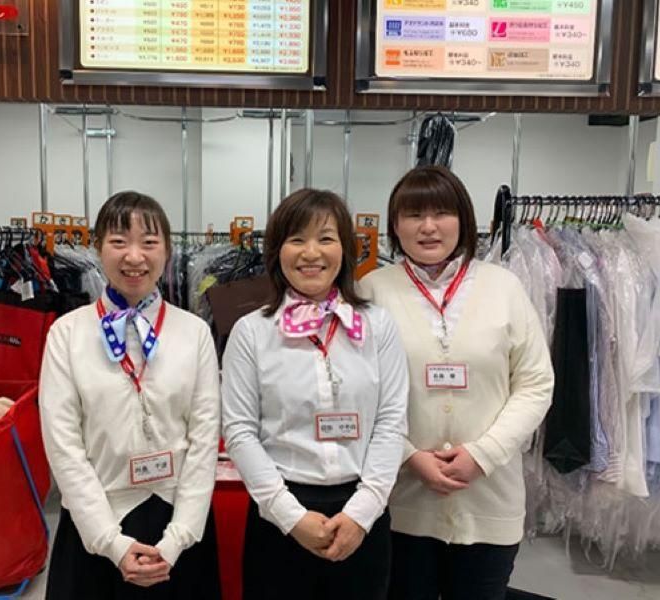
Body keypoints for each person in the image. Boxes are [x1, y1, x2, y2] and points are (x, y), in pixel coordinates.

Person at [358, 166, 554, 600]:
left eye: (441, 213)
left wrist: (483, 454)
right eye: (414, 215)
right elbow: (360, 393)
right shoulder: (371, 291)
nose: (428, 227)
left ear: (464, 220)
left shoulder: (504, 287)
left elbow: (536, 383)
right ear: (395, 225)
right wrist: (410, 456)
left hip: (490, 498)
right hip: (402, 501)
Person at [221, 188, 409, 600]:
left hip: (362, 513)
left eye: (325, 238)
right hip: (279, 515)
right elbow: (239, 431)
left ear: (345, 248)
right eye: (296, 239)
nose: (311, 253)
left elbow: (392, 421)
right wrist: (290, 517)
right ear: (277, 251)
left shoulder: (377, 326)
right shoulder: (252, 332)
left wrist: (361, 513)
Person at [39, 191, 221, 600]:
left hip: (178, 523)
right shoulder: (67, 333)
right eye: (119, 241)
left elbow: (205, 437)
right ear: (97, 248)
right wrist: (111, 542)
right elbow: (63, 445)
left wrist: (178, 537)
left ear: (167, 251)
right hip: (96, 524)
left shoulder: (194, 332)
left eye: (149, 242)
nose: (134, 256)